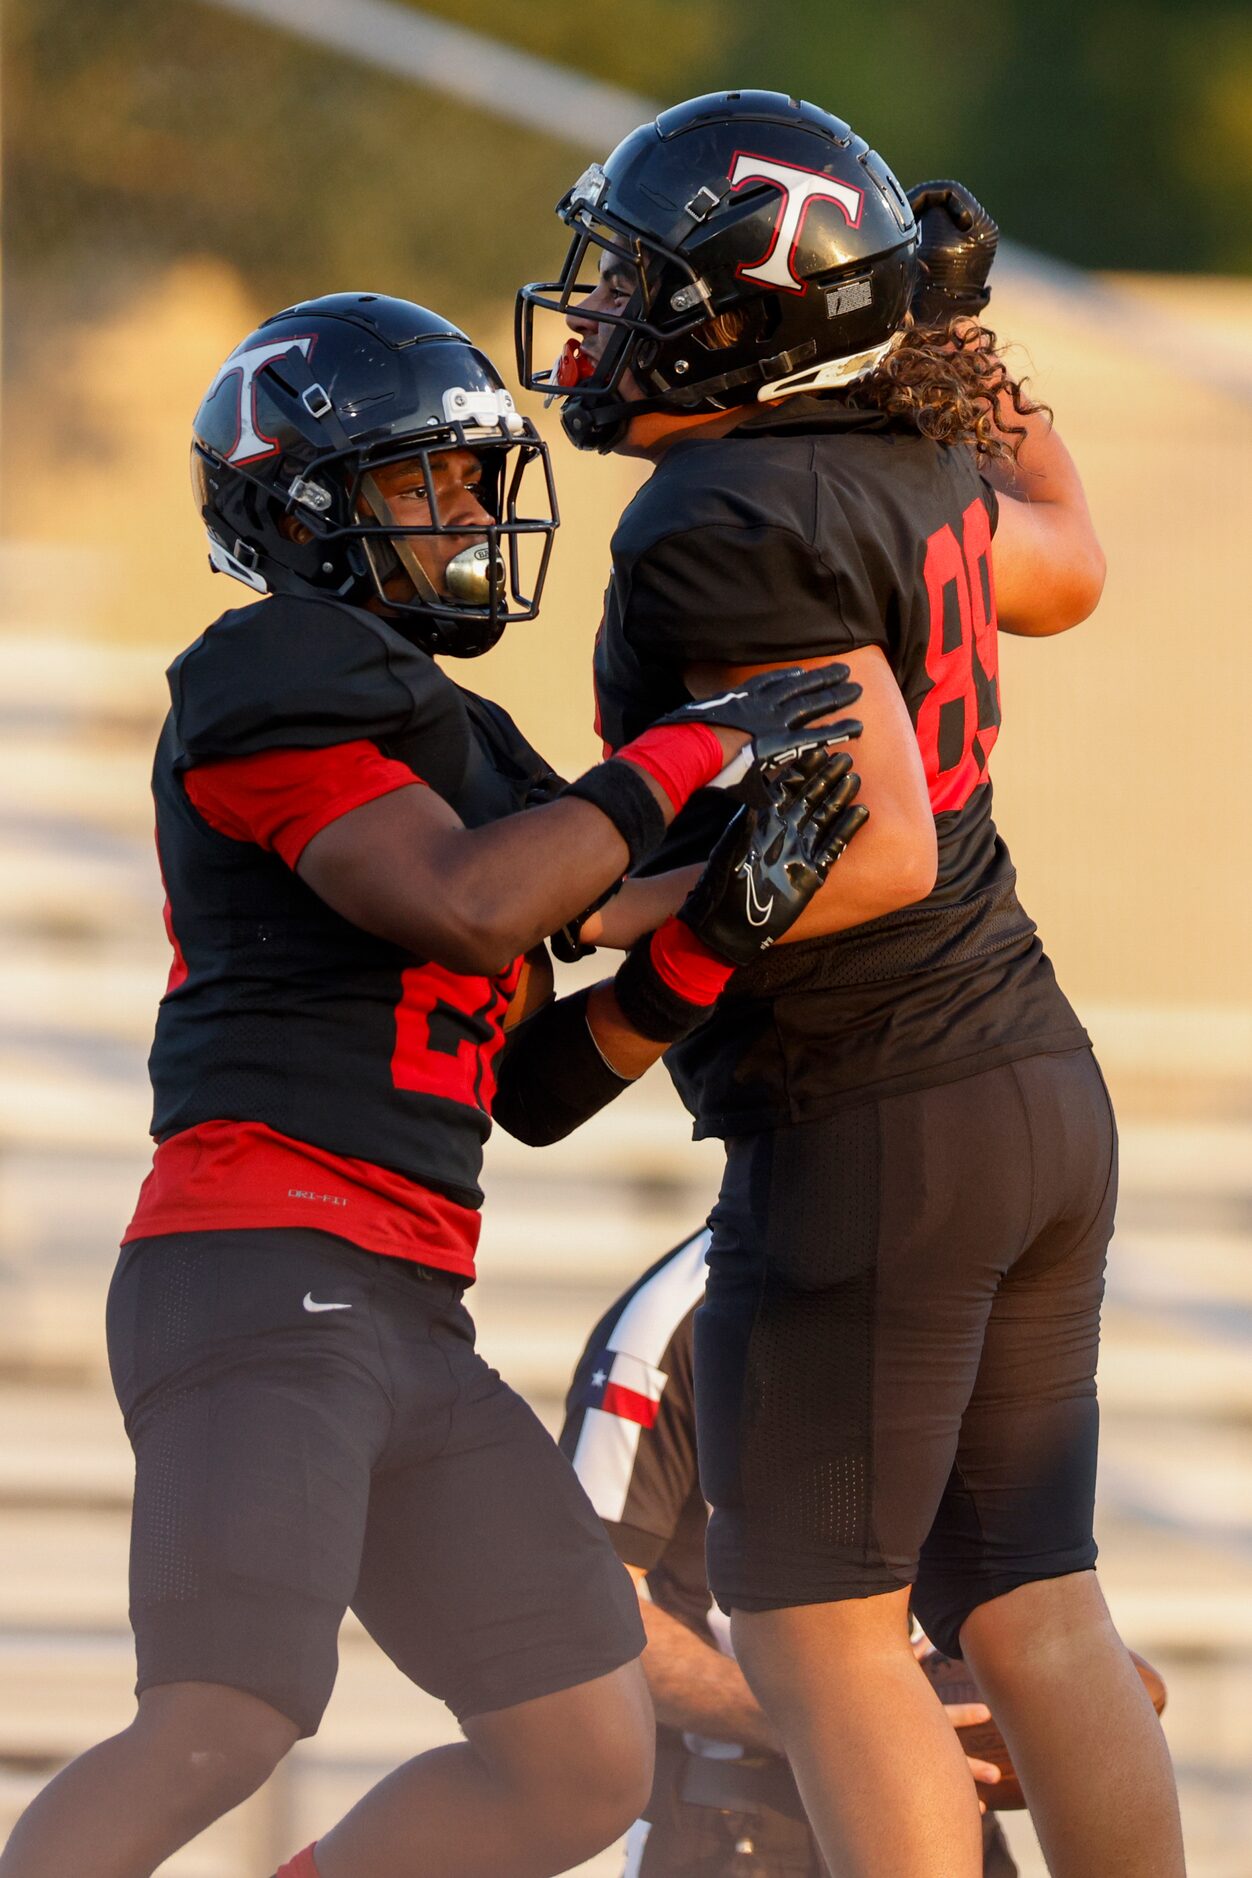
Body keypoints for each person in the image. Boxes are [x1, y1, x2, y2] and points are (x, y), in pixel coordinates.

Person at [0, 293, 869, 1878]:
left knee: (580, 1758)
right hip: (258, 1273)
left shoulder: (455, 736)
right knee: (223, 1718)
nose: (469, 518)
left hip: (404, 1300)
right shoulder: (276, 666)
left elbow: (533, 1082)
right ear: (310, 500)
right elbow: (466, 903)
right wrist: (683, 755)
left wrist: (708, 941)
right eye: (431, 485)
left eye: (475, 484)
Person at [517, 91, 1185, 1878]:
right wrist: (958, 339)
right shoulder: (899, 462)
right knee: (1033, 1606)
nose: (594, 323)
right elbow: (1073, 556)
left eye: (641, 285)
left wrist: (627, 942)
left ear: (746, 312)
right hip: (1027, 1083)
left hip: (875, 1105)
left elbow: (864, 839)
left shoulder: (718, 513)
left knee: (819, 1630)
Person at [561, 1228, 1019, 1877]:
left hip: (932, 1795)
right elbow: (585, 1609)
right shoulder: (675, 1317)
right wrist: (832, 1724)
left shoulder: (957, 1284)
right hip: (741, 1821)